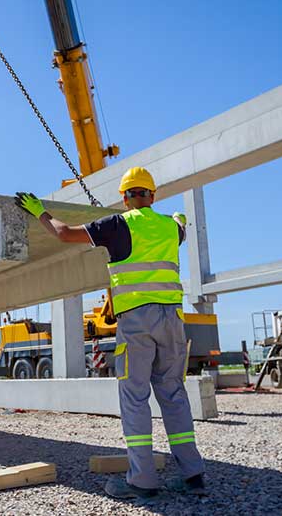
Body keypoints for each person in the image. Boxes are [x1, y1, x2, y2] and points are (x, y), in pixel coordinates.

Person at [15, 166, 206, 499]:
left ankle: (142, 481)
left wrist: (39, 212)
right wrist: (179, 220)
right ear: (152, 195)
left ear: (124, 197)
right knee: (174, 394)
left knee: (135, 398)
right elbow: (181, 230)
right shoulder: (169, 228)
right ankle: (193, 476)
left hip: (137, 322)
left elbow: (63, 233)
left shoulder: (117, 224)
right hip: (173, 319)